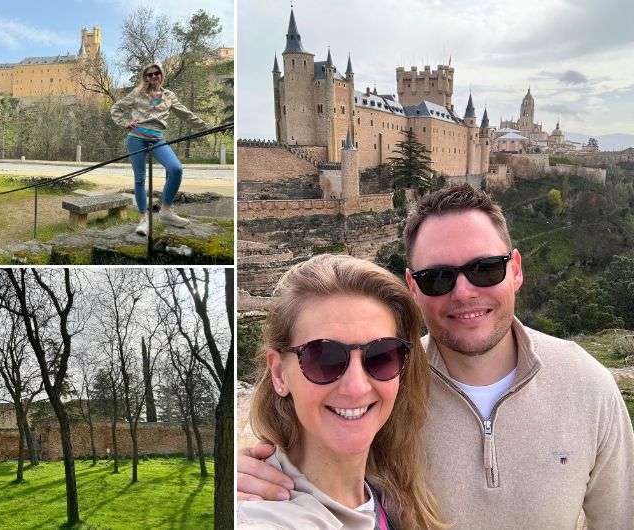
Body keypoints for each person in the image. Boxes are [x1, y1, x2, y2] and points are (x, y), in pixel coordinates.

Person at [238, 184, 634, 529]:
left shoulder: (587, 384)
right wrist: (236, 475)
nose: (462, 293)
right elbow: (304, 456)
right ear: (413, 286)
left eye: (485, 269)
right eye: (438, 277)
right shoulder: (385, 385)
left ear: (515, 269)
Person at [238, 254, 446, 529]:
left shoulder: (391, 493)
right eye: (324, 358)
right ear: (279, 373)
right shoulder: (264, 517)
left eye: (381, 356)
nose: (356, 387)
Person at [110, 62, 207, 236]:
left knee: (175, 168)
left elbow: (185, 113)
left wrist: (204, 127)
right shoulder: (137, 93)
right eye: (149, 74)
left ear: (161, 75)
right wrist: (126, 123)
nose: (153, 76)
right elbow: (116, 108)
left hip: (157, 139)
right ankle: (143, 219)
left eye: (157, 73)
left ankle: (166, 211)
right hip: (136, 139)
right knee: (140, 179)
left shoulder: (169, 96)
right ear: (145, 77)